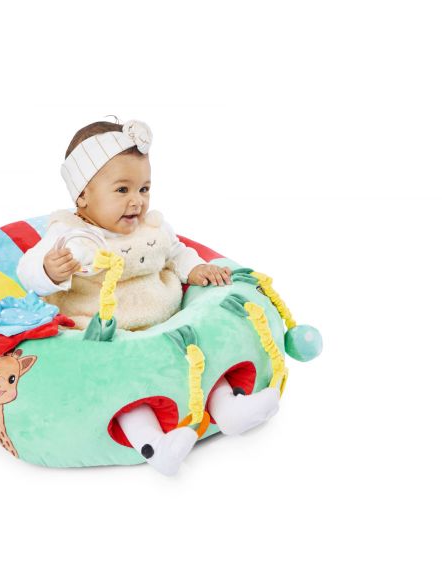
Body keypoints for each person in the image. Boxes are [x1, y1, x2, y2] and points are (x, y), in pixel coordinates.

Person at [17, 118, 279, 475]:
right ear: (83, 196)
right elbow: (28, 270)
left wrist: (194, 269)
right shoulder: (69, 235)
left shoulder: (152, 228)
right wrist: (49, 270)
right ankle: (154, 444)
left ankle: (229, 408)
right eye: (122, 190)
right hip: (106, 335)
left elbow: (177, 252)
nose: (136, 201)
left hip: (166, 326)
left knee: (200, 355)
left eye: (144, 189)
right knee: (126, 382)